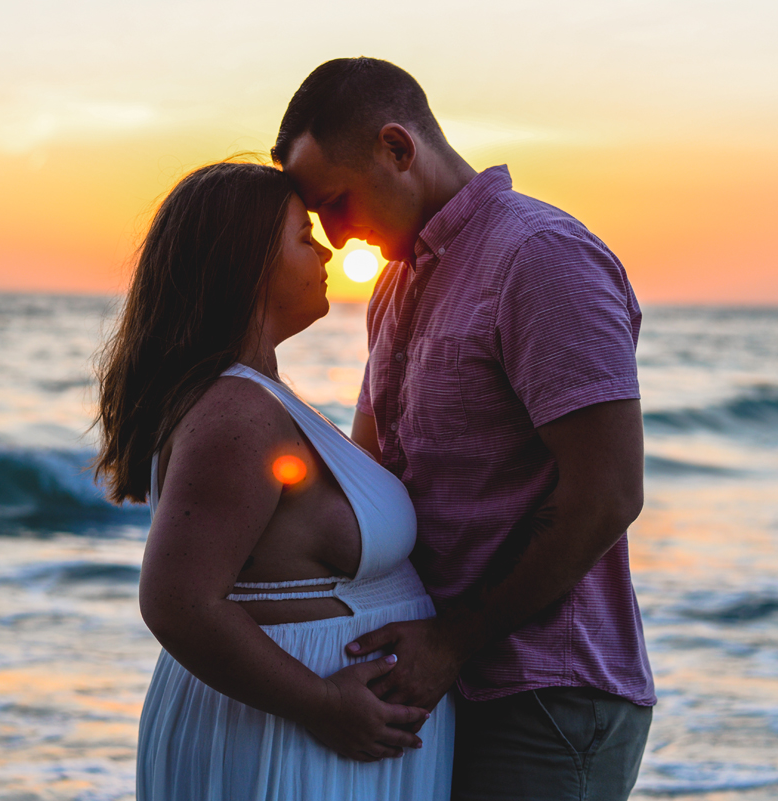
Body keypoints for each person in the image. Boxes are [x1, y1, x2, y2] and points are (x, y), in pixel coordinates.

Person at [272, 58, 656, 800]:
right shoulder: (395, 283)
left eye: (337, 202)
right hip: (439, 683)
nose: (335, 234)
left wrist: (453, 640)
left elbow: (608, 493)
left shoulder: (540, 258)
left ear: (398, 148)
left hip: (545, 690)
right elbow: (373, 478)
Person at [93, 161, 455, 800]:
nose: (327, 252)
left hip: (306, 734)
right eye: (302, 236)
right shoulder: (238, 412)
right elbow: (178, 602)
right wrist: (323, 704)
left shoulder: (261, 398)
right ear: (249, 262)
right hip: (286, 737)